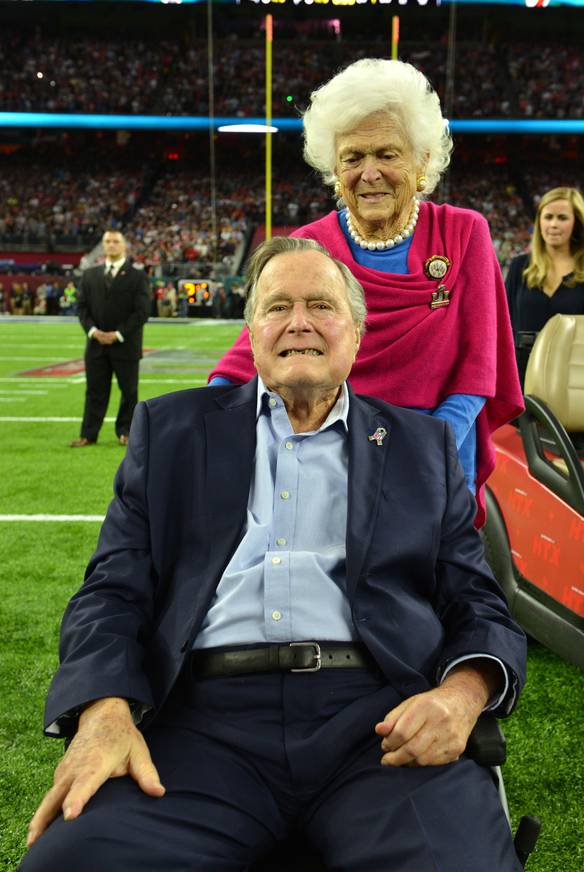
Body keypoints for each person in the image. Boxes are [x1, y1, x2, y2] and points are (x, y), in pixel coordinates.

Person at [21, 238, 526, 872]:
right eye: (277, 305)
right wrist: (103, 709)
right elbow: (111, 593)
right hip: (198, 726)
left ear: (357, 330)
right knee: (69, 866)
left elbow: (478, 602)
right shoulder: (170, 431)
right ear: (252, 330)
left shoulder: (421, 447)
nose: (299, 322)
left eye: (321, 304)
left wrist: (462, 694)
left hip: (377, 721)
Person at [209, 58, 523, 528]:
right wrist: (203, 425)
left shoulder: (464, 234)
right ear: (335, 169)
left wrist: (423, 453)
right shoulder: (310, 245)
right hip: (329, 455)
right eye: (353, 158)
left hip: (433, 454)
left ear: (421, 161)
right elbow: (250, 352)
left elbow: (477, 370)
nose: (369, 173)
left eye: (387, 154)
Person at [504, 187, 584, 387]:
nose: (553, 224)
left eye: (562, 218)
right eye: (548, 217)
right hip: (519, 378)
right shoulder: (519, 266)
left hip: (572, 379)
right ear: (539, 221)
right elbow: (502, 323)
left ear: (577, 223)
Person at [70, 229, 151, 448]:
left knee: (129, 391)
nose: (111, 245)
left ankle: (126, 432)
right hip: (95, 345)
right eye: (107, 241)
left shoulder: (138, 276)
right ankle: (88, 434)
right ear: (103, 245)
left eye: (116, 241)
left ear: (124, 246)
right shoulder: (90, 275)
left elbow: (142, 312)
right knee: (94, 391)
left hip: (125, 345)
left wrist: (118, 334)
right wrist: (93, 332)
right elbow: (81, 308)